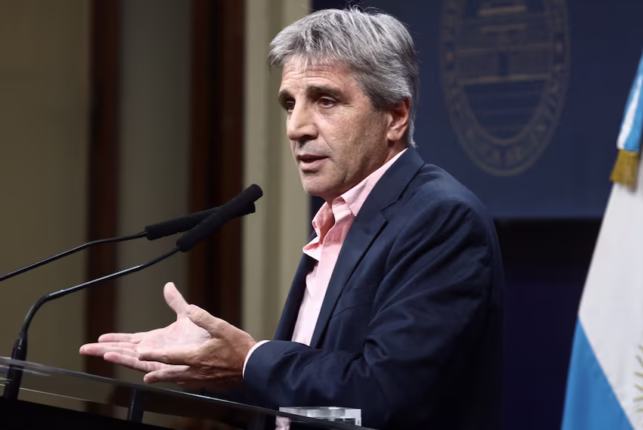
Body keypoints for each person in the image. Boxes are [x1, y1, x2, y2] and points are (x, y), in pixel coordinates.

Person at [80, 8, 504, 430]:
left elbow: (380, 400)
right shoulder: (338, 217)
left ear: (395, 117)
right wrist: (213, 370)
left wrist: (249, 360)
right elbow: (322, 403)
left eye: (325, 100)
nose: (296, 128)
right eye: (289, 104)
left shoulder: (440, 218)